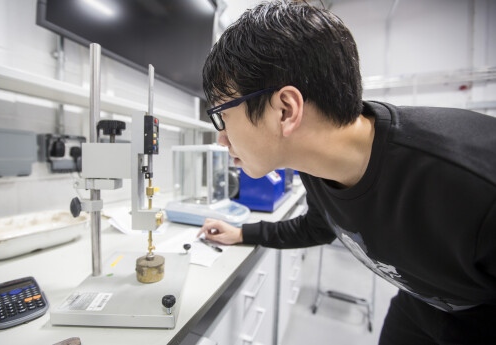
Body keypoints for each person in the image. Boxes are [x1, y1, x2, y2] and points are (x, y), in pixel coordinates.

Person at [196, 1, 496, 344]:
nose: (221, 139)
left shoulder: (473, 183)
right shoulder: (317, 164)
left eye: (222, 116)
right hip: (419, 305)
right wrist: (241, 234)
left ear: (284, 110)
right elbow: (318, 227)